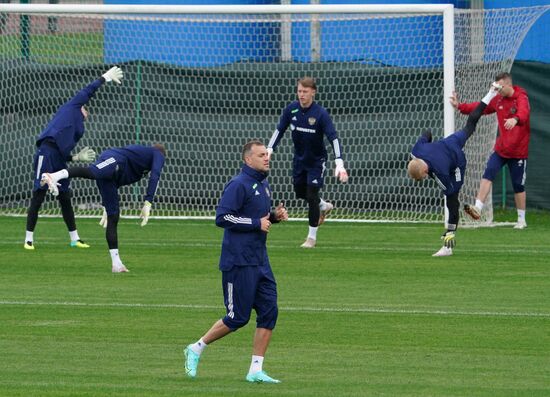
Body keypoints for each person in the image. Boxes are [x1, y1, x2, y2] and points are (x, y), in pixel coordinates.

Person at [183, 140, 288, 383]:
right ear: (247, 159)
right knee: (237, 318)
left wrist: (273, 217)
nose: (266, 158)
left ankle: (255, 370)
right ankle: (196, 347)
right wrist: (256, 223)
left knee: (269, 312)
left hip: (260, 260)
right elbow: (222, 217)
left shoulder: (263, 184)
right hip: (238, 262)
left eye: (267, 154)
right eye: (261, 155)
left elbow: (258, 219)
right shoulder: (238, 184)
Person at [23, 66, 124, 250]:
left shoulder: (80, 129)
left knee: (65, 197)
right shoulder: (73, 106)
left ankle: (74, 238)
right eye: (86, 108)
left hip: (59, 159)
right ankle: (28, 240)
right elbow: (88, 90)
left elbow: (63, 152)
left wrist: (76, 157)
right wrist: (105, 78)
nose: (88, 111)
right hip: (45, 153)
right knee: (39, 194)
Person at [40, 143, 166, 273]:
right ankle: (53, 176)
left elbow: (118, 179)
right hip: (114, 158)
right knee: (93, 172)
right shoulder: (157, 154)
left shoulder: (140, 168)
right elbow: (155, 176)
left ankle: (117, 264)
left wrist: (106, 205)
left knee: (114, 216)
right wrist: (148, 203)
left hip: (113, 177)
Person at [407, 82, 501, 257]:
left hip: (457, 162)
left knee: (452, 201)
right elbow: (427, 133)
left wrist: (456, 201)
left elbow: (449, 191)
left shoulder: (440, 174)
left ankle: (448, 244)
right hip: (448, 143)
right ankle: (491, 93)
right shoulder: (416, 151)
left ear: (425, 173)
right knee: (470, 125)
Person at [266, 76, 348, 249]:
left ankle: (311, 238)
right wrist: (269, 149)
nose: (301, 95)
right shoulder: (291, 110)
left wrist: (339, 162)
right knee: (300, 192)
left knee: (311, 196)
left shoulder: (320, 114)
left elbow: (333, 138)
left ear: (313, 92)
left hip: (317, 162)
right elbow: (279, 130)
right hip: (299, 160)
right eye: (299, 91)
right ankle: (323, 205)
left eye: (305, 91)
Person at [450, 72, 531, 229]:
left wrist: (515, 119)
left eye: (500, 86)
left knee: (518, 186)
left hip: (518, 152)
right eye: (497, 87)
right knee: (488, 174)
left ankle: (521, 219)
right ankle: (478, 208)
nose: (498, 90)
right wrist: (460, 106)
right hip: (501, 150)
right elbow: (480, 108)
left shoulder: (521, 97)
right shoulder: (498, 100)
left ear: (508, 84)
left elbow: (524, 113)